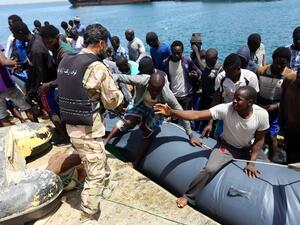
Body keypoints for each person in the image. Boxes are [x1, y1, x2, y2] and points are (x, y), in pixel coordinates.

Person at [154, 86, 269, 208]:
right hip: (227, 147)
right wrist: (172, 112)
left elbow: (260, 139)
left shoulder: (261, 115)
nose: (234, 101)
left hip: (247, 148)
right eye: (234, 97)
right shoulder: (226, 109)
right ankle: (188, 196)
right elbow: (196, 115)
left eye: (238, 99)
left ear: (249, 102)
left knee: (267, 164)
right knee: (209, 169)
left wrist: (252, 162)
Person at [57, 24, 124, 223]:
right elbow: (112, 101)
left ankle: (104, 185)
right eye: (106, 45)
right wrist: (119, 93)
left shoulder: (67, 59)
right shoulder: (96, 66)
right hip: (88, 128)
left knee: (96, 157)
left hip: (71, 124)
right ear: (101, 43)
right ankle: (87, 214)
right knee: (94, 172)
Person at [105, 72, 203, 168]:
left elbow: (181, 112)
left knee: (147, 134)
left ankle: (136, 163)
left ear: (162, 88)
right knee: (127, 122)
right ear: (148, 84)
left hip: (156, 110)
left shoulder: (167, 95)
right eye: (151, 89)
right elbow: (120, 77)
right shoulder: (142, 80)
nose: (154, 93)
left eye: (157, 91)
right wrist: (110, 86)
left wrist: (190, 135)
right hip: (142, 104)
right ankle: (105, 142)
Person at [201, 53, 259, 137]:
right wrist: (210, 123)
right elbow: (216, 100)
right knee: (219, 134)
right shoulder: (221, 77)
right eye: (225, 70)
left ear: (238, 69)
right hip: (228, 108)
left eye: (229, 72)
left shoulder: (251, 78)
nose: (226, 74)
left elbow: (254, 101)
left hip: (244, 111)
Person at [39, 25, 75, 144]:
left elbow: (68, 75)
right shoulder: (54, 47)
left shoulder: (65, 53)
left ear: (57, 37)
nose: (47, 44)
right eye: (44, 42)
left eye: (49, 41)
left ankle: (67, 138)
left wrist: (49, 85)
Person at [257, 47, 294, 161]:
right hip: (261, 107)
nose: (278, 67)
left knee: (273, 136)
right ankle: (258, 157)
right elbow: (255, 90)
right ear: (272, 59)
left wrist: (277, 106)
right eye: (277, 63)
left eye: (282, 64)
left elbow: (290, 98)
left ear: (287, 63)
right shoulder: (261, 71)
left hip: (277, 110)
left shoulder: (290, 76)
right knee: (258, 134)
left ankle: (272, 160)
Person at [0, 44, 37, 126]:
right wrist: (14, 62)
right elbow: (3, 62)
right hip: (5, 84)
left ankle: (12, 137)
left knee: (2, 117)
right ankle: (38, 129)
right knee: (26, 107)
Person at [163, 40, 201, 110]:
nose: (177, 55)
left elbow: (199, 72)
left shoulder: (187, 60)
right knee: (174, 118)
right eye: (174, 53)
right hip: (173, 96)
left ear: (182, 51)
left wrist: (196, 76)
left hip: (187, 96)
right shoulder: (166, 62)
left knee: (187, 118)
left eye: (179, 53)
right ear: (171, 51)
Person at [196, 48, 223, 132]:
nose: (207, 62)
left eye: (210, 61)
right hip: (204, 98)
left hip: (213, 101)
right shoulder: (205, 67)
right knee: (198, 120)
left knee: (210, 123)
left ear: (216, 59)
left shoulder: (220, 71)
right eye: (206, 60)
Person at [280, 68, 300, 164]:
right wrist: (281, 121)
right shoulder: (289, 79)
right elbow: (282, 101)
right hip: (290, 127)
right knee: (290, 155)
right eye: (298, 77)